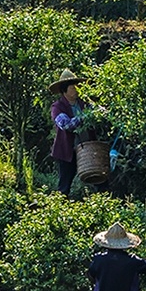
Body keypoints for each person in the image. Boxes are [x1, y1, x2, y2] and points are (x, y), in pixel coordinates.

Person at [46, 69, 88, 197]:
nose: (76, 89)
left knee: (98, 179)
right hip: (67, 151)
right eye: (72, 87)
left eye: (77, 86)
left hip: (86, 148)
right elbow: (66, 125)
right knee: (65, 185)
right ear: (65, 90)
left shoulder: (84, 104)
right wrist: (84, 116)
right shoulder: (57, 107)